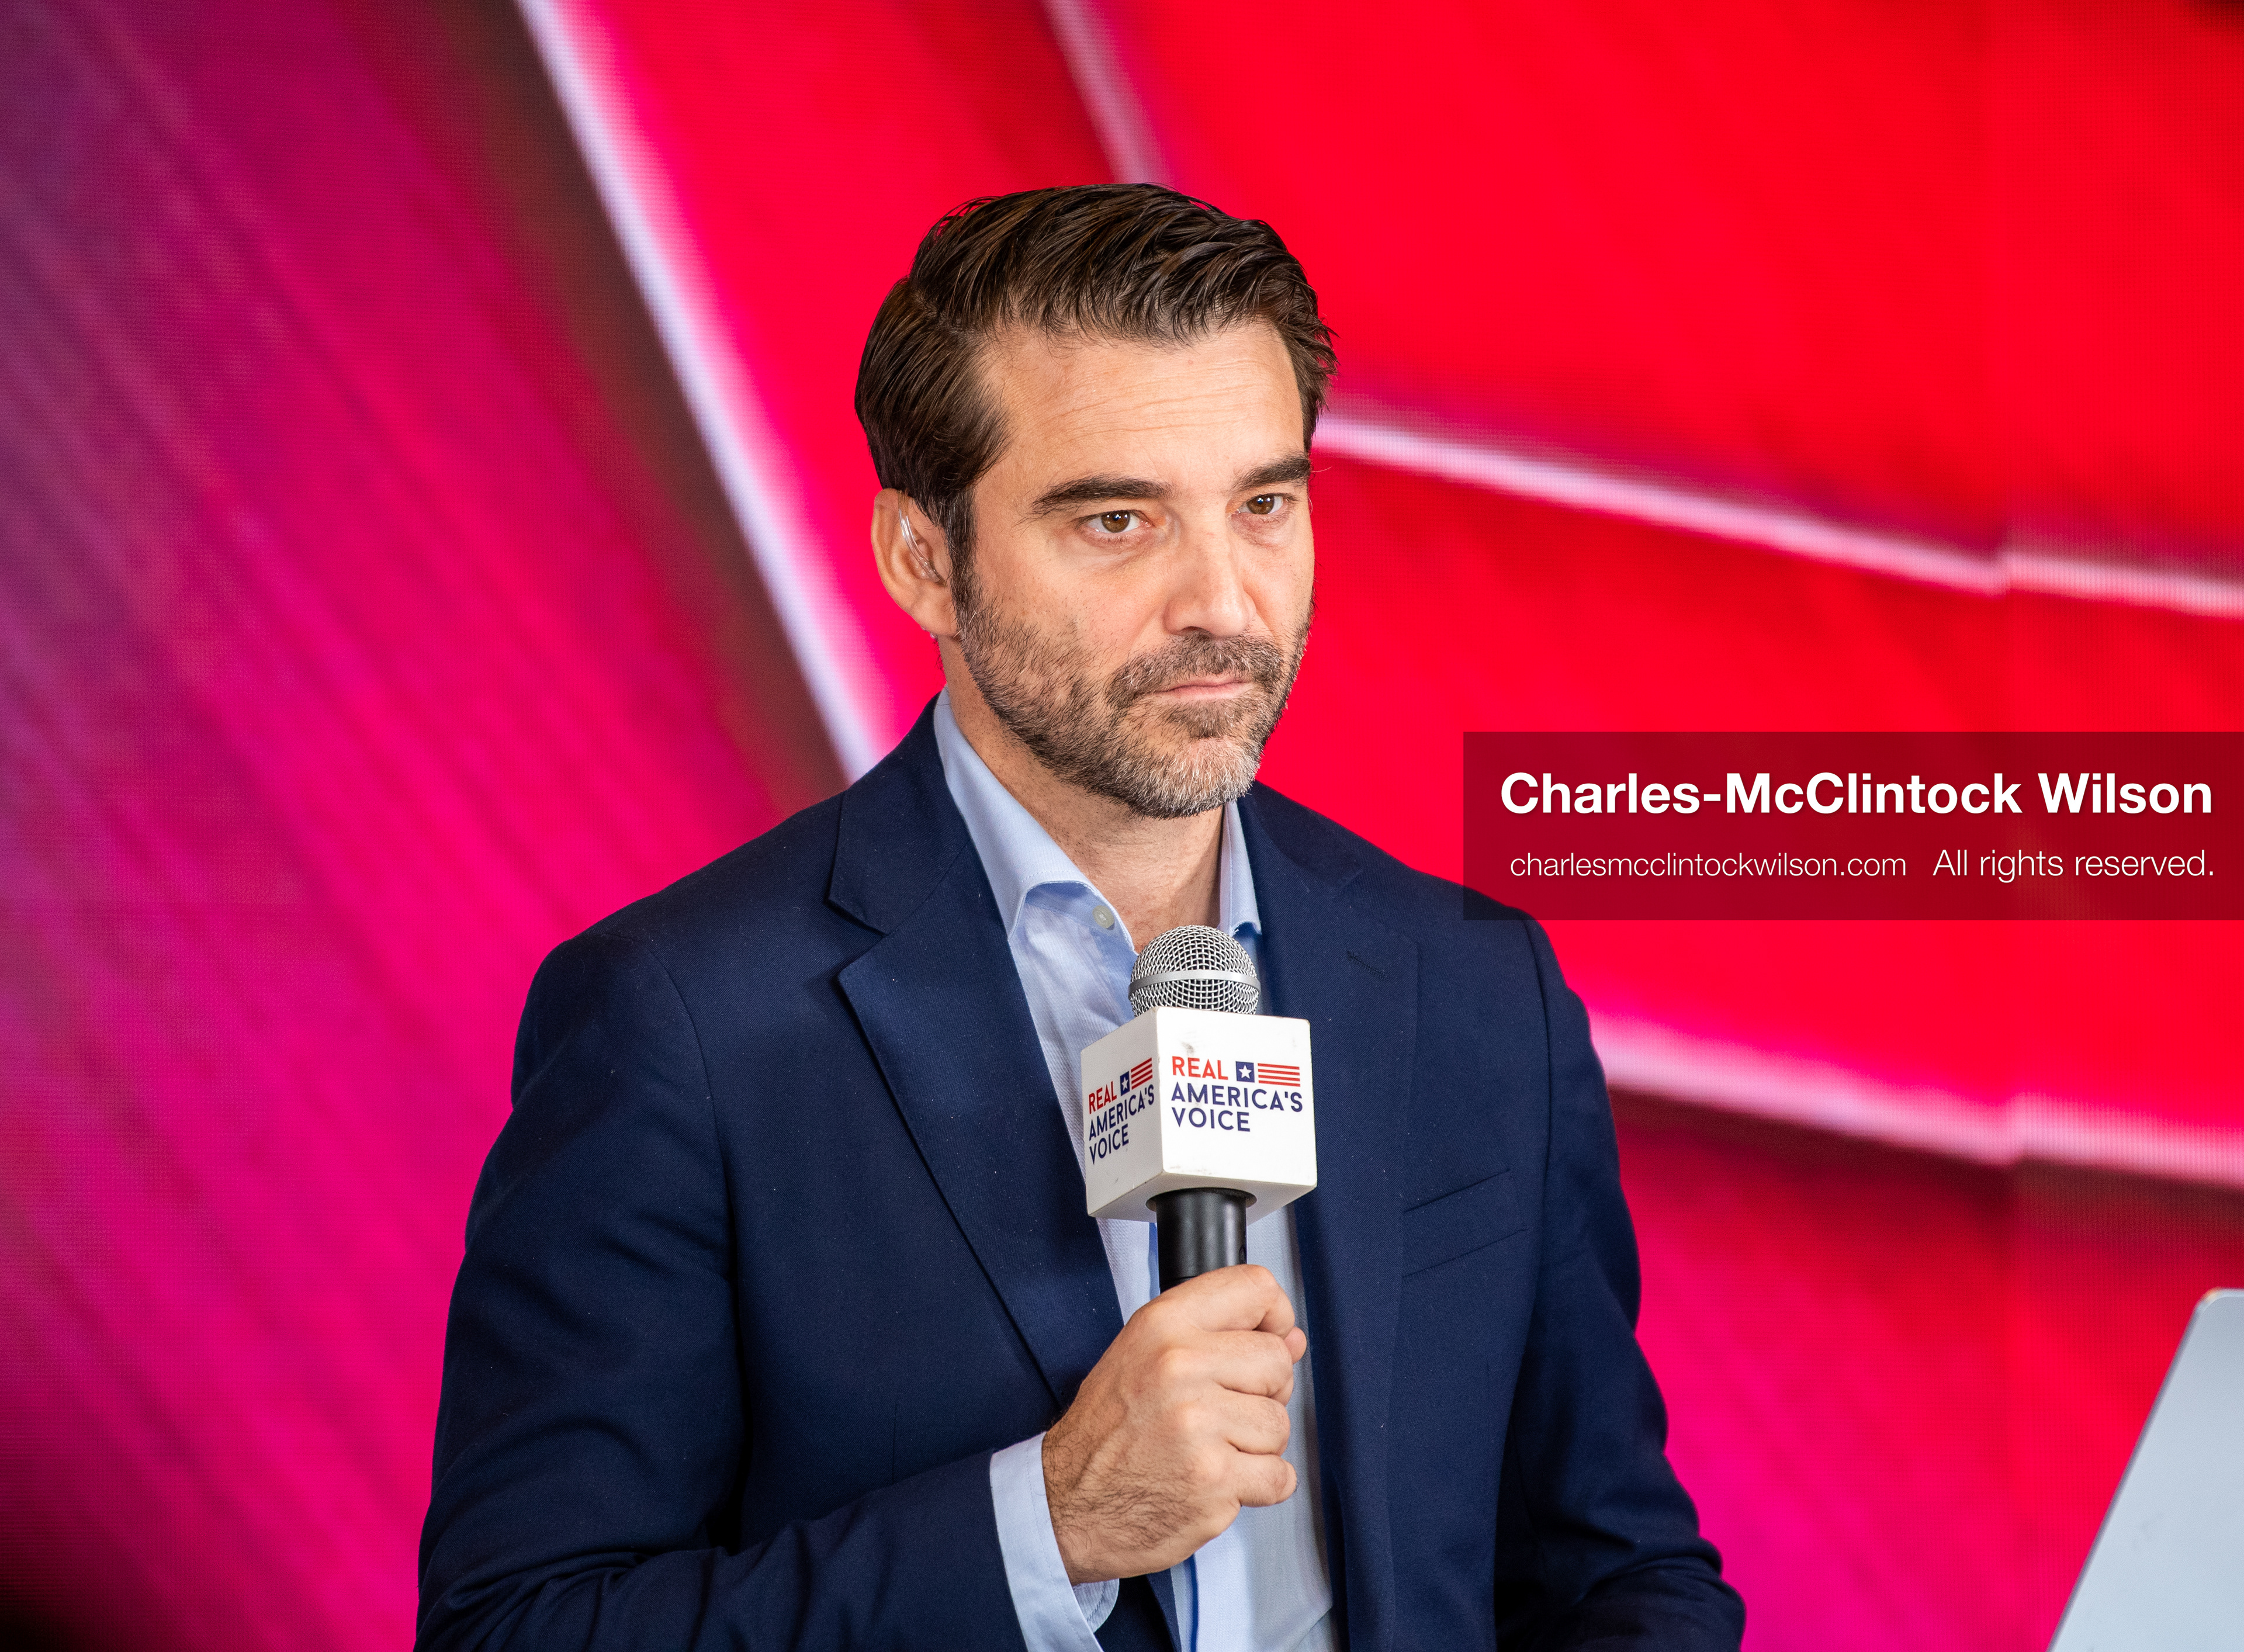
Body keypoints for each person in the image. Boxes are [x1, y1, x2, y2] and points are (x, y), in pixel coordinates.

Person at [417, 184, 1743, 1652]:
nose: (1222, 602)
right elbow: (518, 1629)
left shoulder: (1480, 989)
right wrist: (1047, 1525)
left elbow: (1621, 1576)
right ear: (924, 560)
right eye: (1118, 521)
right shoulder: (683, 1023)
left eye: (1264, 505)